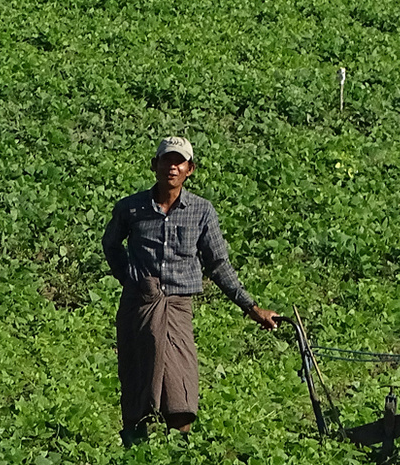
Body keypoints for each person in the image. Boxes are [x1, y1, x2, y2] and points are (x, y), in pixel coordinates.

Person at [102, 136, 280, 446]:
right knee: (137, 375)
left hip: (178, 309)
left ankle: (181, 456)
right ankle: (134, 449)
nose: (171, 167)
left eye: (178, 162)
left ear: (190, 169)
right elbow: (111, 245)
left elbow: (218, 264)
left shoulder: (201, 211)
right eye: (166, 160)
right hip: (139, 307)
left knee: (181, 381)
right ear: (154, 165)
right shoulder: (130, 208)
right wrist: (131, 280)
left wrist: (252, 308)